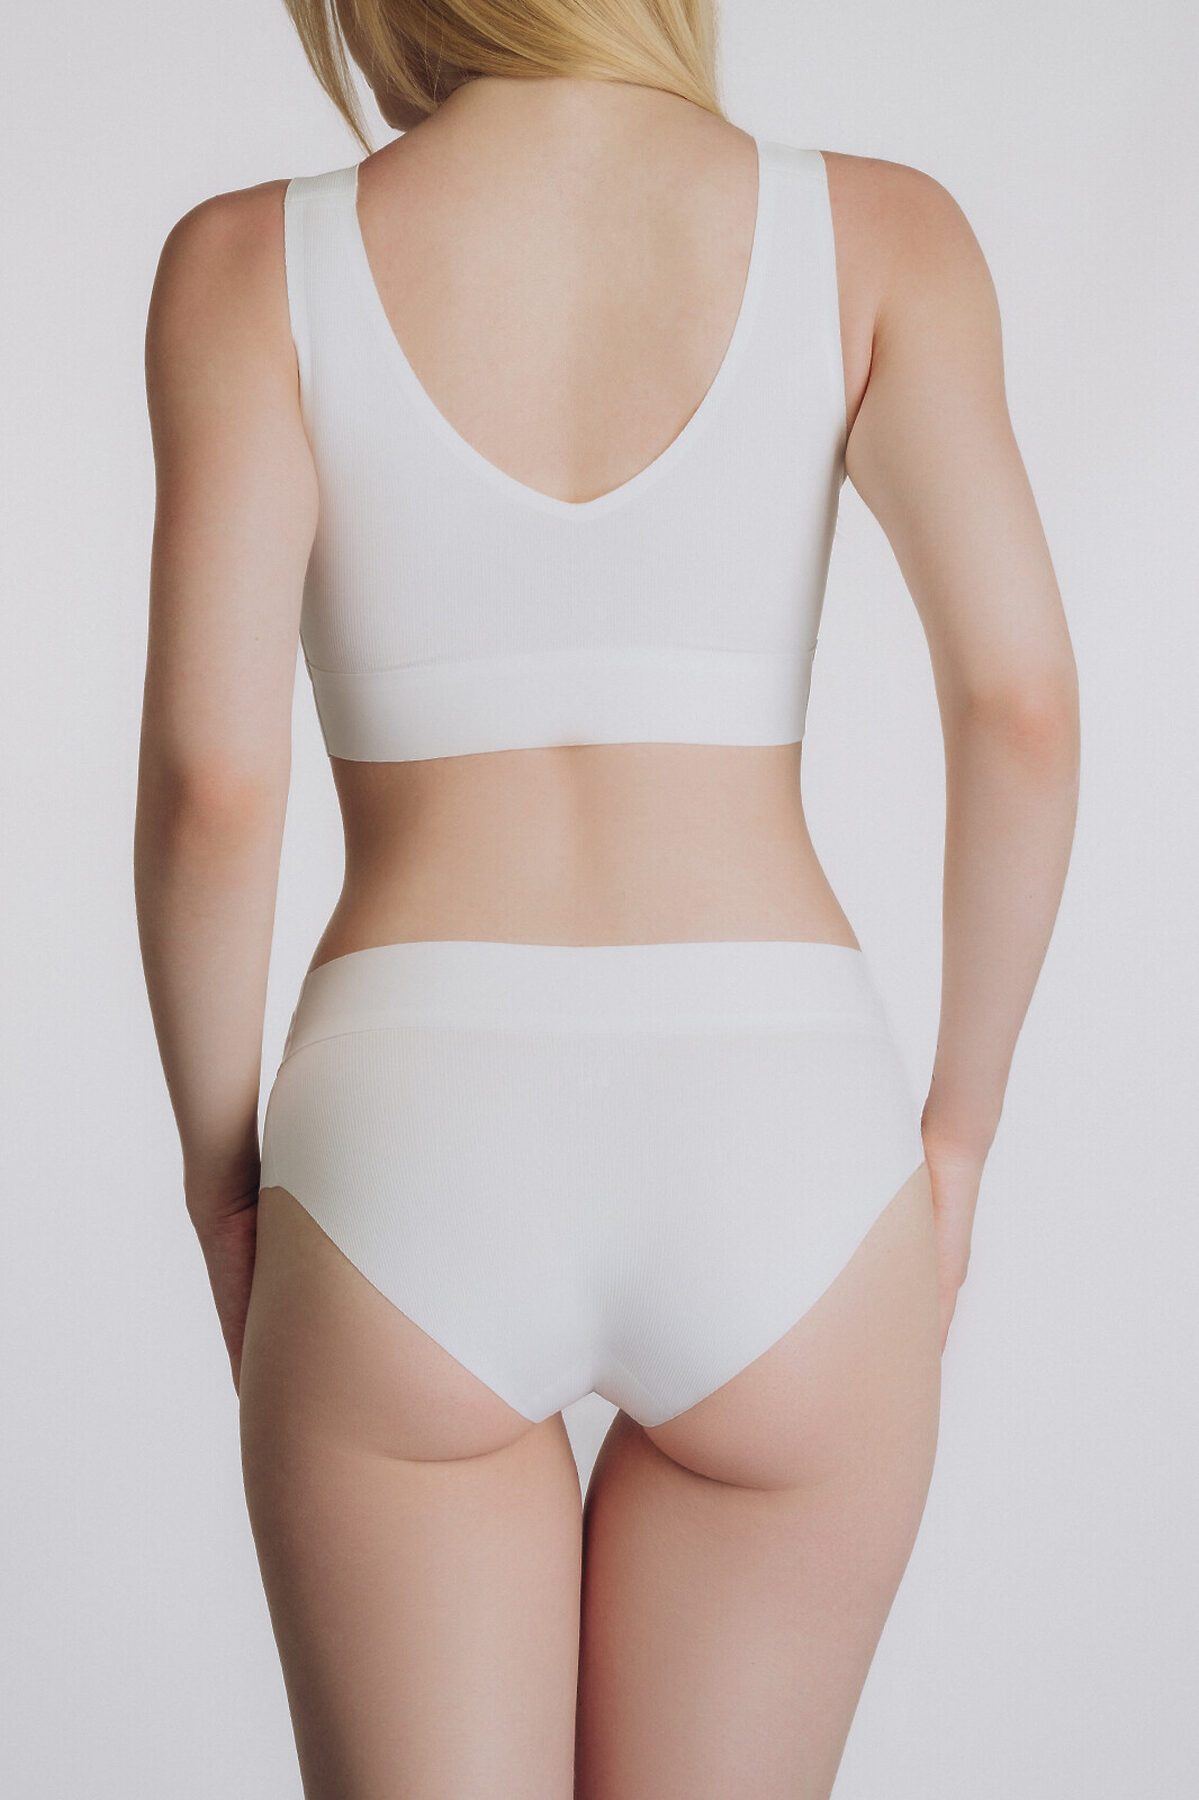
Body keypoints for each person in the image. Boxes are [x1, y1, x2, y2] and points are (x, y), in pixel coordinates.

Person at [133, 2, 1080, 1793]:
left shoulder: (246, 269)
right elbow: (1023, 705)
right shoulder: (885, 237)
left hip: (410, 1134)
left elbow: (213, 787)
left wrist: (220, 1178)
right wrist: (957, 1136)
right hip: (784, 1133)